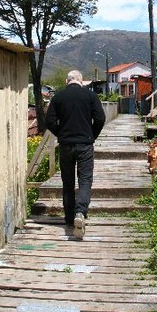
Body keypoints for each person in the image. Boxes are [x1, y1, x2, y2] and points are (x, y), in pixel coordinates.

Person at [45, 70, 106, 239]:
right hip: (85, 145)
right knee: (85, 180)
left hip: (66, 145)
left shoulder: (58, 97)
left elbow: (49, 121)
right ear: (81, 81)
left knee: (68, 181)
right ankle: (80, 212)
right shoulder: (90, 96)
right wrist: (91, 135)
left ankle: (69, 218)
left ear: (67, 81)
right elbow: (100, 118)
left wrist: (62, 134)